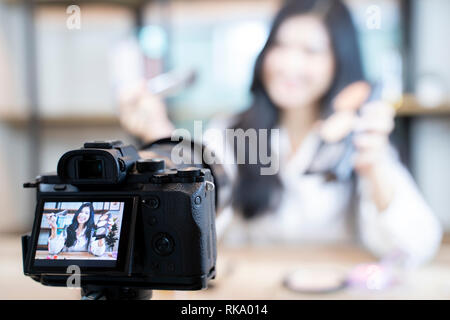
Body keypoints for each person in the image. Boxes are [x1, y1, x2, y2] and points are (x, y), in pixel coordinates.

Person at [118, 0, 442, 266]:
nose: (289, 65)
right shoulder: (230, 132)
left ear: (339, 62)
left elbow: (416, 246)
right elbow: (194, 220)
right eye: (280, 46)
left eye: (311, 51)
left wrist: (375, 167)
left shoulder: (359, 136)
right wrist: (160, 135)